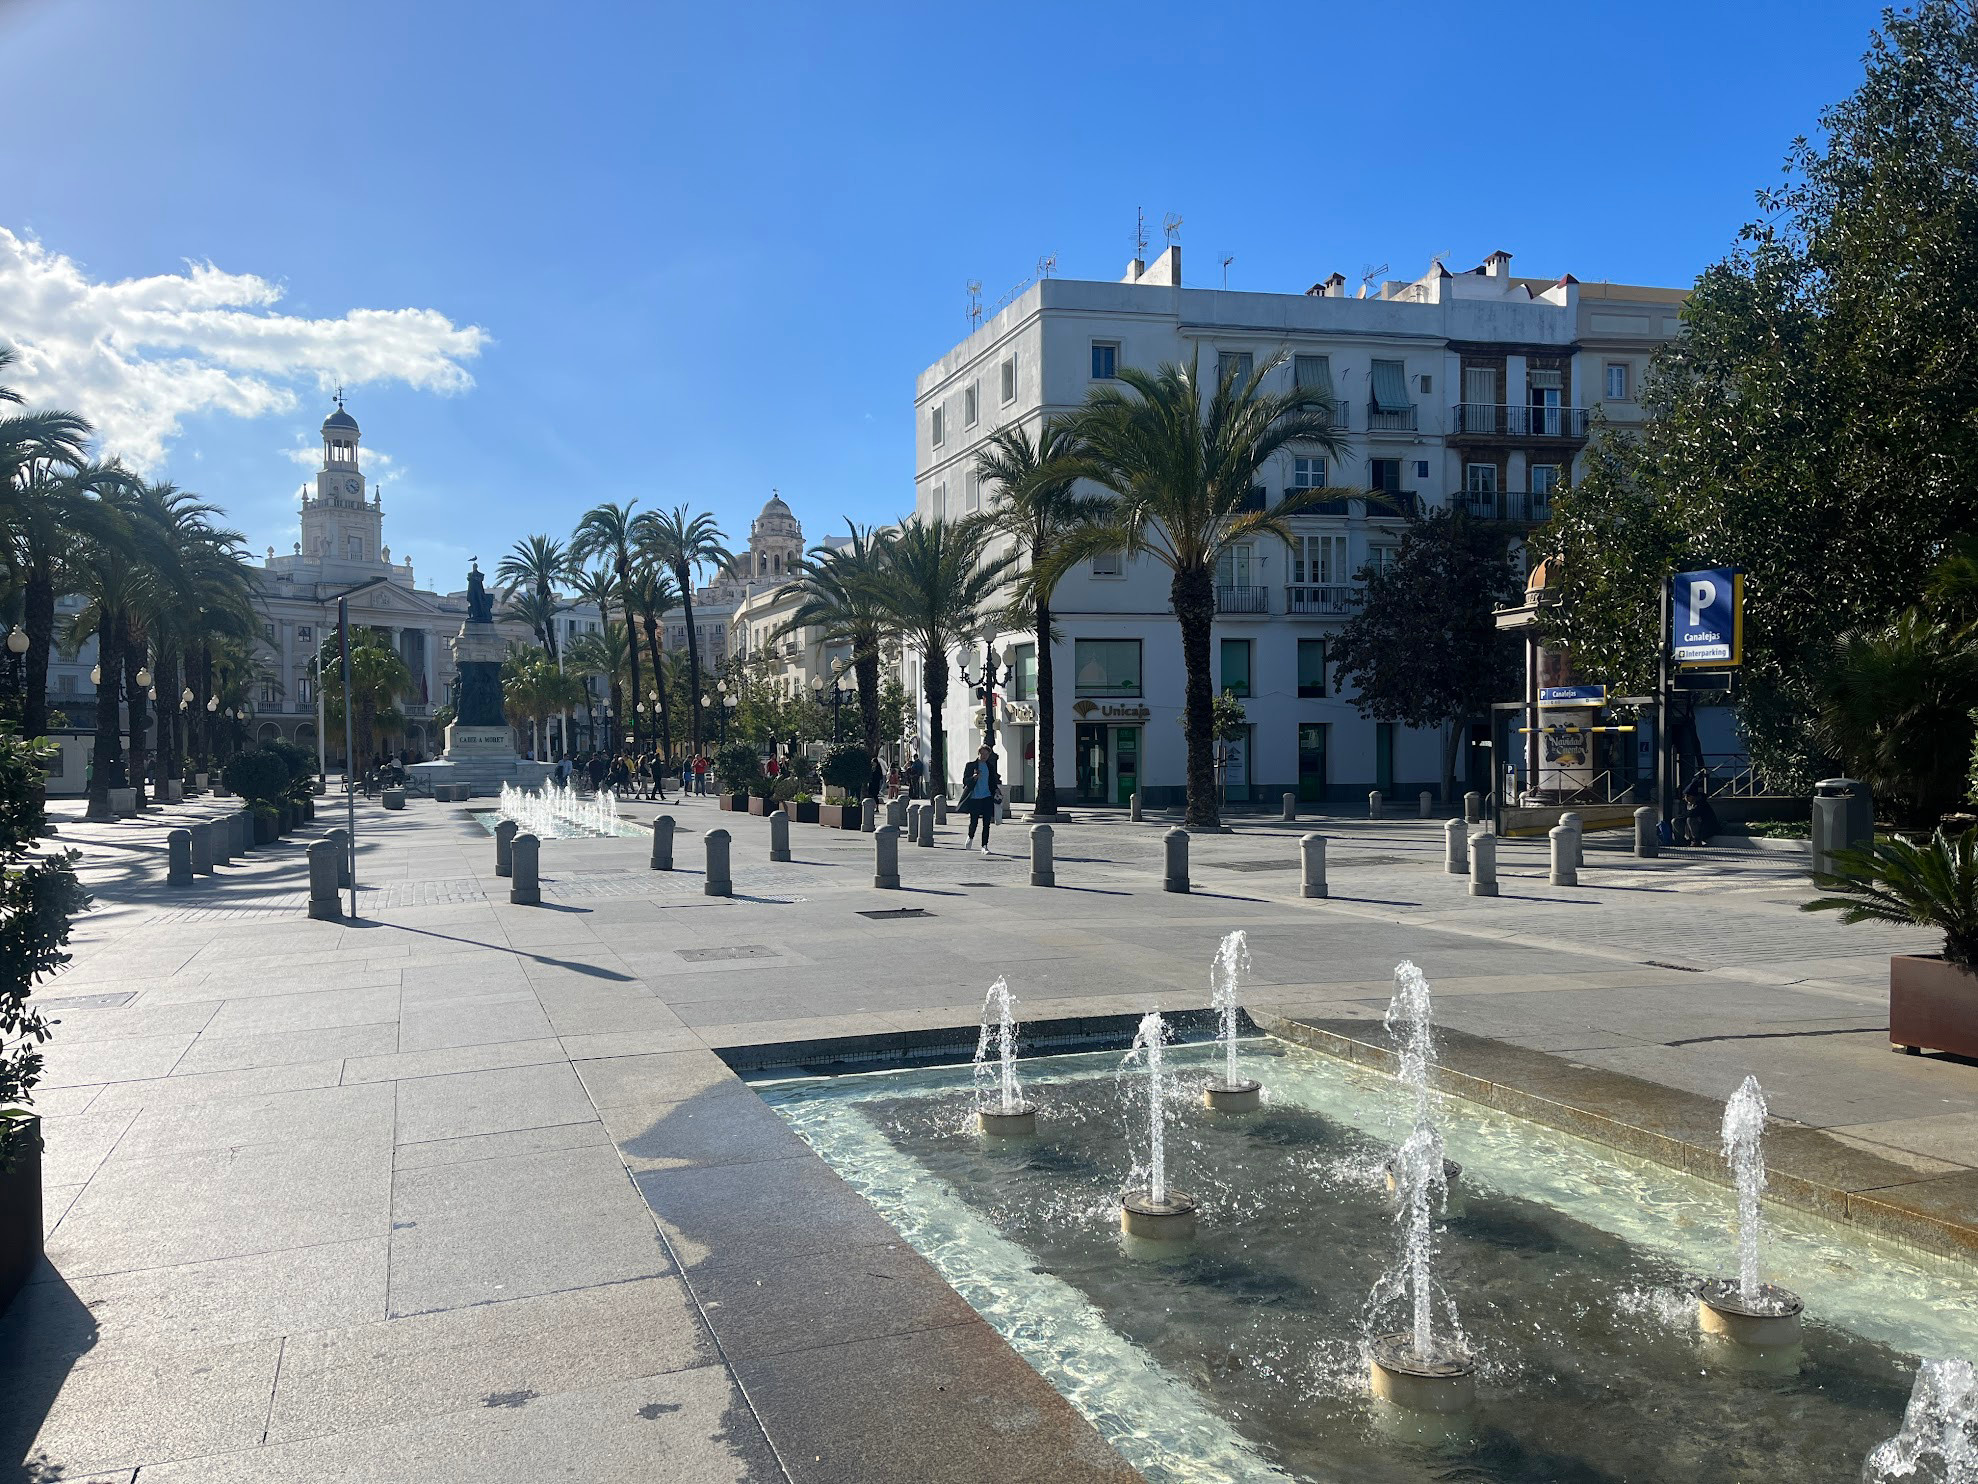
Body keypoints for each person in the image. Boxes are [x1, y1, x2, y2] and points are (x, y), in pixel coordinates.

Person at [960, 744, 1002, 855]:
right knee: (974, 822)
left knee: (986, 823)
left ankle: (984, 846)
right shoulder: (970, 765)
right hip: (974, 798)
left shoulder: (990, 767)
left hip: (987, 797)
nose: (984, 756)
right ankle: (970, 836)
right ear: (978, 753)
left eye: (986, 754)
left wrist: (996, 790)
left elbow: (992, 782)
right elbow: (965, 781)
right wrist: (973, 777)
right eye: (982, 753)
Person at [1681, 768, 1721, 846]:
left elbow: (1691, 814)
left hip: (1707, 829)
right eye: (1685, 796)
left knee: (1690, 819)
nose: (1686, 798)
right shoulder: (1689, 804)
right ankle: (1682, 840)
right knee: (1675, 821)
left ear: (1694, 796)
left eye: (1688, 796)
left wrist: (1685, 814)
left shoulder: (1701, 804)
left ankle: (1696, 840)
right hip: (1698, 828)